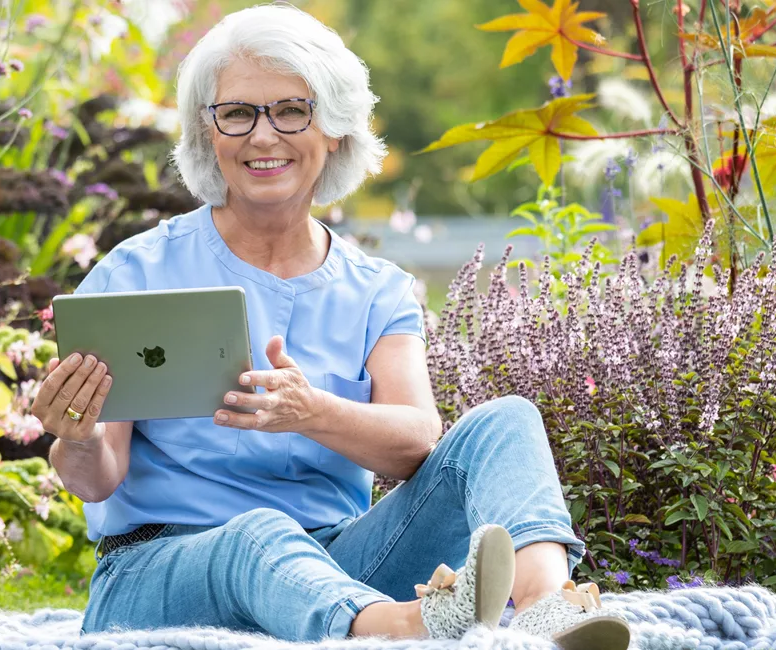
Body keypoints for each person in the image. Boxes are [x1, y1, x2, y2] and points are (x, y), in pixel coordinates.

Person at [32, 5, 628, 648]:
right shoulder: (137, 272)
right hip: (159, 573)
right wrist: (79, 435)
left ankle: (546, 608)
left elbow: (415, 441)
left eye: (292, 110)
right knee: (258, 533)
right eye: (237, 113)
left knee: (507, 420)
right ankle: (400, 630)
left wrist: (311, 410)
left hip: (338, 563)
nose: (264, 136)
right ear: (208, 134)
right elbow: (94, 478)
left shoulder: (378, 290)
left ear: (337, 129)